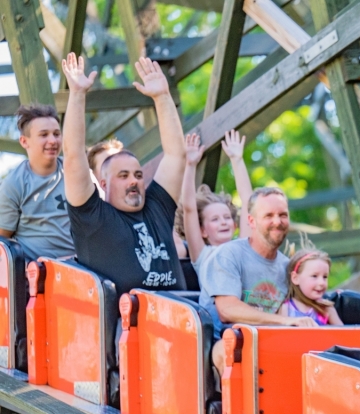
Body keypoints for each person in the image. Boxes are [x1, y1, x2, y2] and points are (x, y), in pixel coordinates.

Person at [61, 53, 185, 296]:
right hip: (125, 318)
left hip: (181, 312)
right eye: (123, 175)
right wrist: (77, 94)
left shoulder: (157, 208)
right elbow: (73, 157)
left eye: (138, 175)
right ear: (103, 183)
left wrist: (162, 97)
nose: (133, 181)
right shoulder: (93, 217)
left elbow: (176, 155)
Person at [204, 187, 316, 375]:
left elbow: (304, 306)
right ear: (251, 221)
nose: (277, 222)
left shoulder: (287, 267)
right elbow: (227, 310)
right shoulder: (229, 254)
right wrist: (284, 321)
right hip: (223, 341)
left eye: (283, 215)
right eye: (268, 216)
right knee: (231, 350)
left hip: (271, 344)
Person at [0, 104, 76, 260]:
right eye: (44, 135)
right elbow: (3, 242)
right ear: (24, 141)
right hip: (37, 269)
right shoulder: (14, 184)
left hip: (80, 264)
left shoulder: (75, 172)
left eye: (56, 134)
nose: (52, 140)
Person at [178, 130, 253, 275]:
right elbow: (189, 208)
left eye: (227, 217)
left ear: (235, 225)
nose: (223, 222)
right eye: (215, 219)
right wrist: (190, 164)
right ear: (203, 231)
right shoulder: (202, 254)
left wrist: (236, 159)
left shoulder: (242, 248)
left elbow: (248, 202)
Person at [278, 249, 343, 326]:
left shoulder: (326, 309)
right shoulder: (286, 308)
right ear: (295, 278)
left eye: (325, 277)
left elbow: (344, 333)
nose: (321, 282)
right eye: (314, 276)